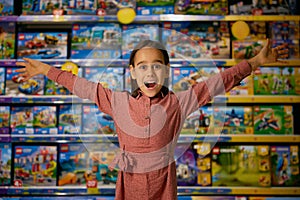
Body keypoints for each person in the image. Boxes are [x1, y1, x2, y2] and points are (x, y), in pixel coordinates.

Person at [16, 38, 288, 200]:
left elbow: (218, 83)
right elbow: (83, 86)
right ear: (133, 72)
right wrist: (45, 69)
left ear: (166, 71)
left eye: (157, 66)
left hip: (164, 188)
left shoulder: (179, 103)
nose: (151, 72)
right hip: (128, 187)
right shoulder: (118, 101)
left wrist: (254, 62)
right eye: (143, 66)